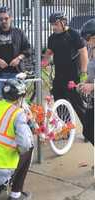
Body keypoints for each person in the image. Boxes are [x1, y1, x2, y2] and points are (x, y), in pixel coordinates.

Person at [42, 11, 89, 141]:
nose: (54, 27)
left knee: (78, 104)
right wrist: (44, 62)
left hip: (74, 76)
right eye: (52, 24)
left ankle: (89, 130)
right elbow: (49, 52)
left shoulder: (73, 35)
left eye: (56, 24)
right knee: (60, 104)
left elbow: (83, 52)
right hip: (59, 76)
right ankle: (66, 130)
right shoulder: (52, 37)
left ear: (63, 22)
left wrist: (84, 73)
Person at [0, 6, 31, 102]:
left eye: (6, 18)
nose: (3, 21)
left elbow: (28, 50)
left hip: (16, 73)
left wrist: (18, 58)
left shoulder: (19, 33)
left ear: (11, 18)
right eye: (1, 19)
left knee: (18, 102)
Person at [78, 18, 95, 146]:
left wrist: (92, 86)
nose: (86, 42)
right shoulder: (91, 50)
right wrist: (85, 83)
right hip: (93, 99)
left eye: (88, 38)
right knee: (88, 131)